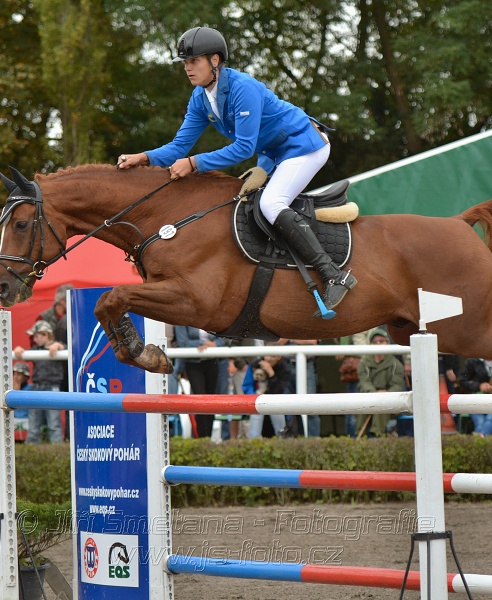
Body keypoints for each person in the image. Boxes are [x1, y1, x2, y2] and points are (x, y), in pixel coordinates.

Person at [117, 26, 355, 314]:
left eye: (194, 61)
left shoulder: (243, 88)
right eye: (185, 63)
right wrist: (141, 157)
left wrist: (195, 164)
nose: (188, 69)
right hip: (273, 153)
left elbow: (243, 148)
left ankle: (333, 274)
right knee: (247, 202)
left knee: (271, 203)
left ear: (215, 61)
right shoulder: (200, 98)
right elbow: (179, 148)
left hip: (304, 145)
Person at [14, 321, 65, 444]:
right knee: (33, 425)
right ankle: (32, 448)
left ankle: (57, 450)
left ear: (46, 335)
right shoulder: (36, 349)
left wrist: (57, 346)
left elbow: (65, 347)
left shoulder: (58, 347)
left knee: (54, 424)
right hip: (36, 388)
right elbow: (25, 354)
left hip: (52, 388)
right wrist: (19, 350)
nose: (34, 339)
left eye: (36, 336)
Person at [355, 328, 405, 438]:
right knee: (363, 407)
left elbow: (397, 386)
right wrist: (374, 393)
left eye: (381, 341)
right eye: (375, 341)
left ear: (387, 343)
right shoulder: (363, 364)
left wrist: (385, 394)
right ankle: (360, 438)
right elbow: (364, 383)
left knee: (381, 406)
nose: (378, 344)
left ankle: (377, 437)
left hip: (389, 401)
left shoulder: (396, 365)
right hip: (369, 397)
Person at [174, 325, 222, 437]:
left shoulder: (212, 315)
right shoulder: (182, 319)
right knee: (200, 399)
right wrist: (203, 343)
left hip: (212, 362)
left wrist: (214, 345)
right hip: (193, 364)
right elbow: (183, 343)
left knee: (212, 401)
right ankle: (201, 438)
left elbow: (224, 338)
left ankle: (207, 438)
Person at [459, 357, 492, 436]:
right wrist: (479, 386)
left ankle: (478, 442)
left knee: (490, 418)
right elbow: (462, 382)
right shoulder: (472, 361)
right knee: (480, 422)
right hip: (476, 400)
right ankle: (482, 440)